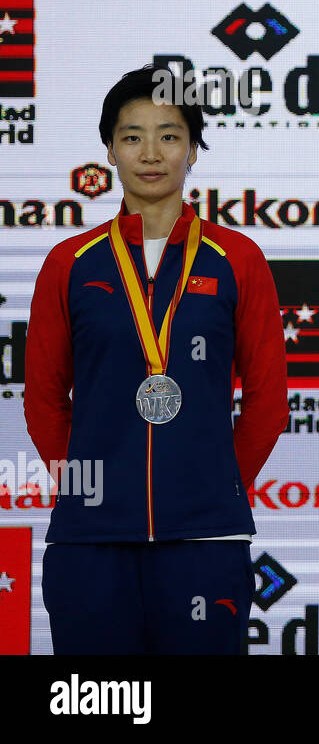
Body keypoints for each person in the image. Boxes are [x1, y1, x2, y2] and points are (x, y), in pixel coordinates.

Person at [24, 65, 289, 653]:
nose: (151, 152)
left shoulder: (237, 258)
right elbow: (43, 395)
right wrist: (86, 489)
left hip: (206, 541)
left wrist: (215, 486)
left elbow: (269, 402)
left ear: (193, 150)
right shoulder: (71, 262)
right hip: (92, 541)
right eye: (131, 135)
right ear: (109, 150)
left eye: (169, 135)